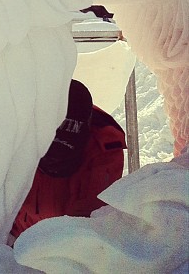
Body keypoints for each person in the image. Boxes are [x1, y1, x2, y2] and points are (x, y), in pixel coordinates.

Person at [9, 80, 126, 245]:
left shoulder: (103, 154)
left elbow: (87, 230)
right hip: (13, 243)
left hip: (63, 250)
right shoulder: (14, 135)